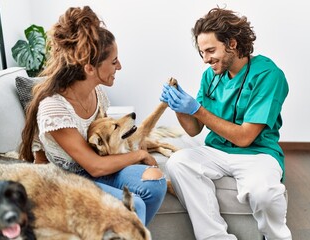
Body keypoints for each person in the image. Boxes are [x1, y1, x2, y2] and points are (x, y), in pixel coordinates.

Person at [19, 6, 167, 226]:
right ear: (89, 68)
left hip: (93, 170)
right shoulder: (54, 108)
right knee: (133, 204)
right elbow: (95, 166)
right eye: (114, 61)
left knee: (155, 182)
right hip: (64, 178)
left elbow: (105, 151)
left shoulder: (97, 93)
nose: (120, 66)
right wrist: (138, 156)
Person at [160, 7, 292, 240]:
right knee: (179, 162)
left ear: (232, 43)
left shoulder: (268, 75)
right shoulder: (211, 75)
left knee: (264, 193)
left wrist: (197, 109)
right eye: (202, 53)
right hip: (217, 151)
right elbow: (194, 129)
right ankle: (215, 237)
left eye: (210, 50)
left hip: (257, 154)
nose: (205, 59)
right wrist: (179, 107)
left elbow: (244, 138)